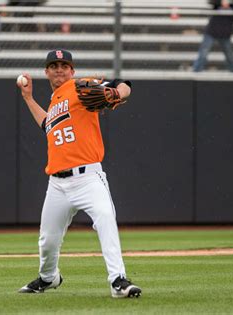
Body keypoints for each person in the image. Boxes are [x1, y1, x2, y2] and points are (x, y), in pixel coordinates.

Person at [16, 49, 142, 298]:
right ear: (47, 72)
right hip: (57, 184)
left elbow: (123, 84)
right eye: (54, 65)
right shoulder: (54, 102)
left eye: (64, 65)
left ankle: (118, 280)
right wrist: (29, 99)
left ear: (72, 70)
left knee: (105, 219)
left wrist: (117, 92)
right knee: (48, 241)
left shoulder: (80, 87)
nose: (59, 69)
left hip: (88, 178)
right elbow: (47, 126)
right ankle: (49, 278)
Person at [192, 0, 233, 72]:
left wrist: (229, 3)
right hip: (212, 31)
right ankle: (197, 70)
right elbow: (210, 1)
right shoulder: (216, 4)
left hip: (225, 33)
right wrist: (221, 2)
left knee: (229, 54)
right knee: (203, 52)